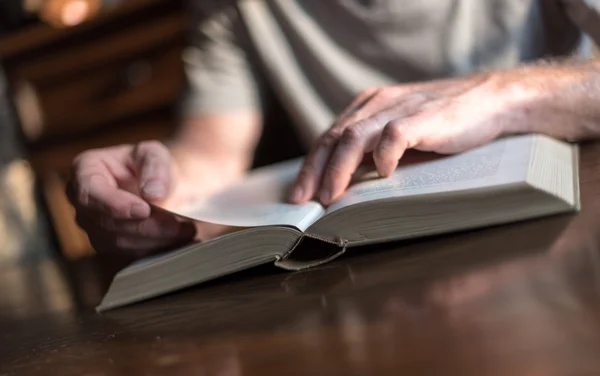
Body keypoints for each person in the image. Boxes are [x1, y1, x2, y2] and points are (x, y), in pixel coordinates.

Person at [68, 0, 600, 257]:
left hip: (567, 234)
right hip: (373, 266)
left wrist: (503, 95)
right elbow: (210, 155)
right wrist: (151, 190)